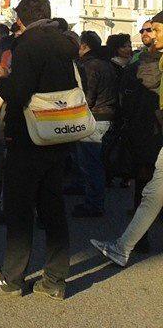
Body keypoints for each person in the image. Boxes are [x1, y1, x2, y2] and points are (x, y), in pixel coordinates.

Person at [0, 0, 77, 299]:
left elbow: (19, 92)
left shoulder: (28, 45)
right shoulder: (66, 44)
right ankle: (55, 279)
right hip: (59, 134)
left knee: (19, 208)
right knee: (53, 207)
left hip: (28, 137)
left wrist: (0, 78)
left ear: (21, 20)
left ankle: (11, 278)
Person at [91, 11, 163, 267]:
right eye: (146, 30)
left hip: (155, 132)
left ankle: (125, 246)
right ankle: (126, 246)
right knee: (150, 191)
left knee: (151, 190)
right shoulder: (137, 60)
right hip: (142, 131)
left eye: (153, 29)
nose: (149, 35)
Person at [68, 31, 117, 217]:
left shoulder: (90, 66)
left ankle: (94, 205)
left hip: (94, 117)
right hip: (105, 115)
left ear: (85, 46)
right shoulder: (104, 63)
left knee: (91, 164)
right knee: (92, 162)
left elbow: (88, 96)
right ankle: (90, 197)